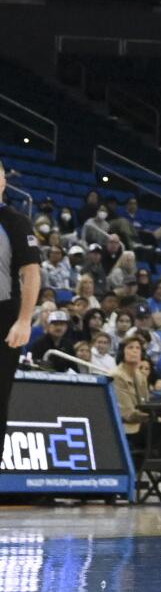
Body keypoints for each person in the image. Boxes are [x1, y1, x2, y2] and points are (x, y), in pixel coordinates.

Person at [0, 167, 42, 431]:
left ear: (3, 182)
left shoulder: (14, 221)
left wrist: (25, 321)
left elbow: (31, 273)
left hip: (3, 317)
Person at [110, 335, 152, 445]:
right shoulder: (117, 376)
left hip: (142, 421)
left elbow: (146, 404)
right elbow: (127, 414)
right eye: (130, 347)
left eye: (138, 348)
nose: (134, 351)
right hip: (126, 426)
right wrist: (153, 416)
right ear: (122, 352)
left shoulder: (141, 375)